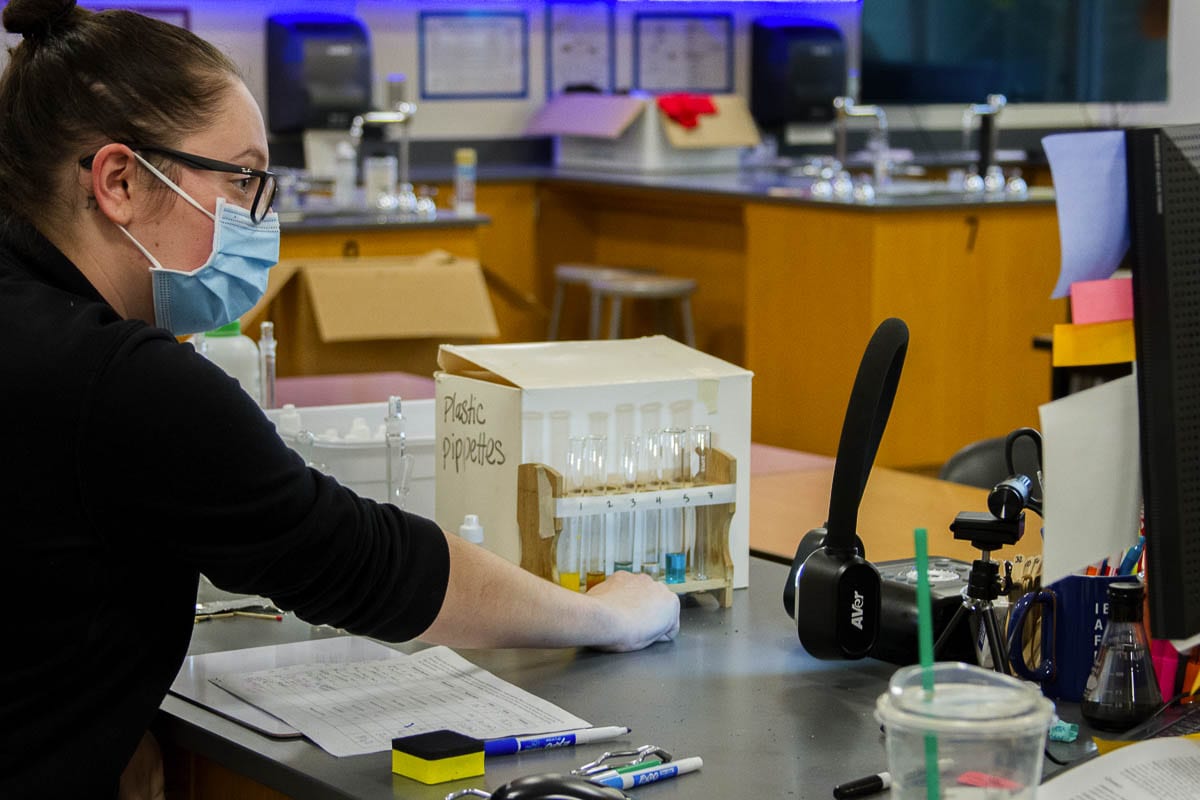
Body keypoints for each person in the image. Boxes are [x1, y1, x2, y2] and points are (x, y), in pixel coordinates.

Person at [0, 2, 681, 797]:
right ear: (119, 180)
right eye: (244, 178)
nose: (261, 217)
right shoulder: (122, 382)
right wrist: (608, 617)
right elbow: (362, 562)